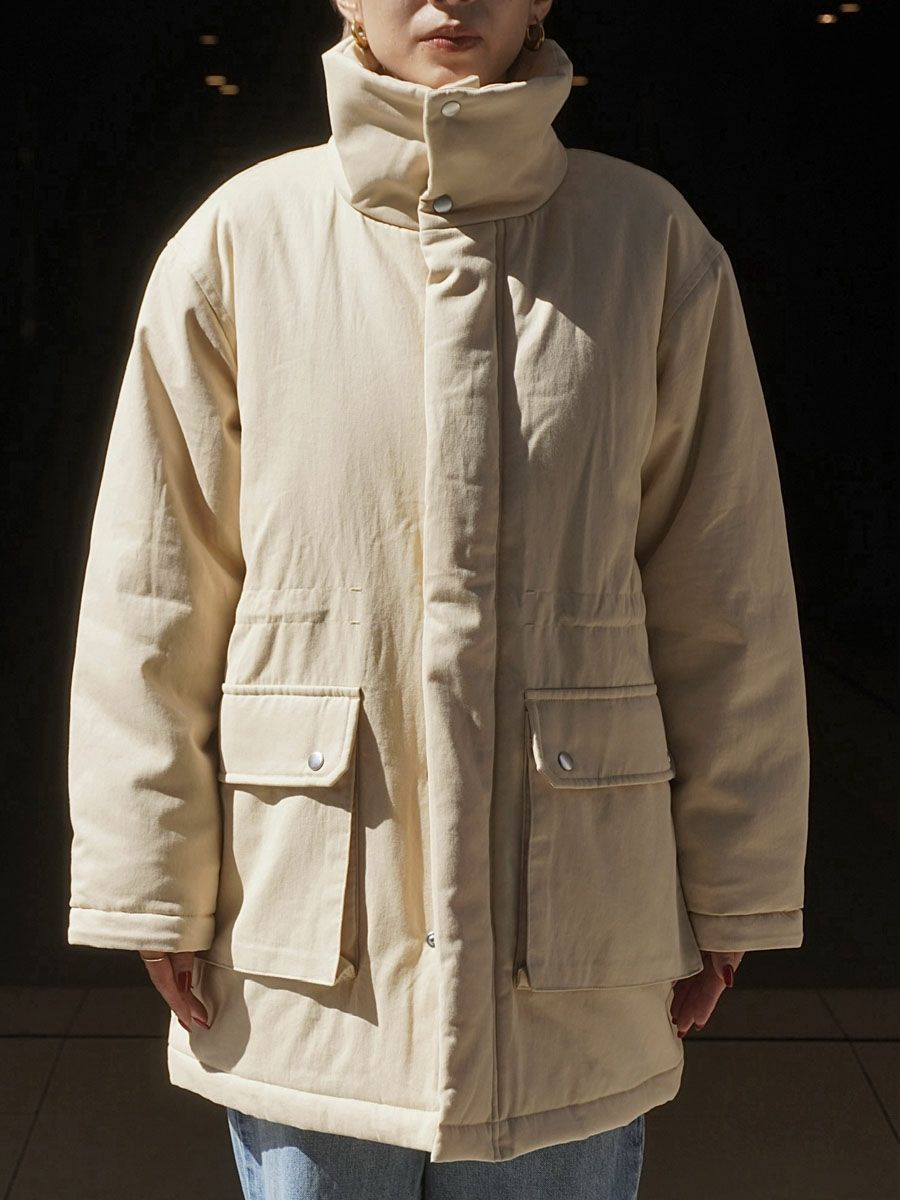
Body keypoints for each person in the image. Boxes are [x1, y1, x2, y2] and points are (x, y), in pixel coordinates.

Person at [66, 1, 810, 1197]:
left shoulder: (648, 244)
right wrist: (149, 881)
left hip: (577, 939)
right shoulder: (243, 242)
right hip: (310, 944)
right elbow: (155, 591)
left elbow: (725, 594)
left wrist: (738, 883)